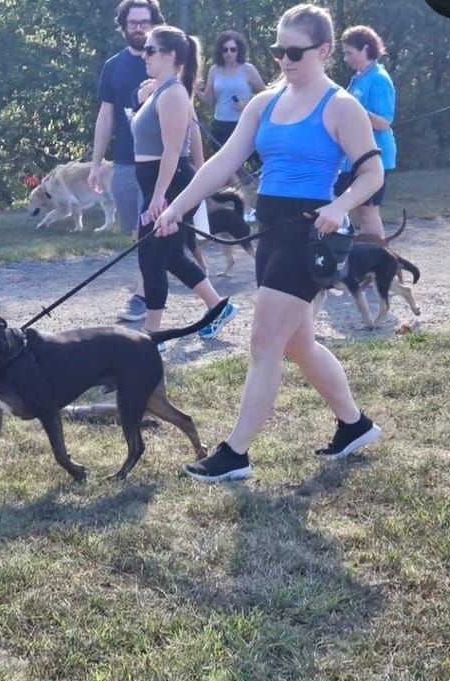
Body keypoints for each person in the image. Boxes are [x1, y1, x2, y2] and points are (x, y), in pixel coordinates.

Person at [152, 3, 384, 482]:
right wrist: (177, 207)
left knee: (263, 343)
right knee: (298, 345)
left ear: (323, 50)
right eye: (278, 50)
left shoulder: (341, 106)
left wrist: (340, 208)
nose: (285, 60)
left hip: (310, 233)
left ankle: (235, 454)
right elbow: (223, 163)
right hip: (272, 228)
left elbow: (372, 172)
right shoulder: (265, 103)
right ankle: (355, 425)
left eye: (295, 51)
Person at [131, 25, 237, 346]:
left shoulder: (175, 94)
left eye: (150, 50)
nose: (144, 56)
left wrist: (160, 197)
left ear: (170, 55)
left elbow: (174, 151)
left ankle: (153, 334)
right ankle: (219, 307)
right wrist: (142, 100)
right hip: (159, 182)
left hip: (171, 182)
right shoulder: (159, 92)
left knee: (151, 254)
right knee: (172, 254)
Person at [89, 0, 165, 322]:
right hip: (123, 161)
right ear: (124, 26)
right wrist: (95, 163)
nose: (139, 28)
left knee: (149, 230)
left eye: (144, 22)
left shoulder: (166, 61)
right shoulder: (113, 66)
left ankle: (142, 295)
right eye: (133, 22)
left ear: (154, 23)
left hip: (158, 159)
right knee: (138, 231)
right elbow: (105, 116)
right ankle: (181, 278)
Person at [334, 25, 397, 237]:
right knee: (359, 210)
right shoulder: (360, 76)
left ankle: (380, 263)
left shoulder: (379, 79)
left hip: (375, 155)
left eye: (349, 53)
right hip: (355, 156)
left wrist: (353, 111)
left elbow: (384, 122)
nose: (345, 58)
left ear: (366, 49)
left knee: (368, 212)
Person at [196, 30, 266, 148]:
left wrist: (248, 103)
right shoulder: (214, 70)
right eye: (225, 49)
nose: (229, 53)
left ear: (239, 50)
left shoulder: (248, 69)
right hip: (220, 125)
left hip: (243, 124)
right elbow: (208, 100)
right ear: (220, 51)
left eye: (233, 49)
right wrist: (196, 90)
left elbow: (265, 95)